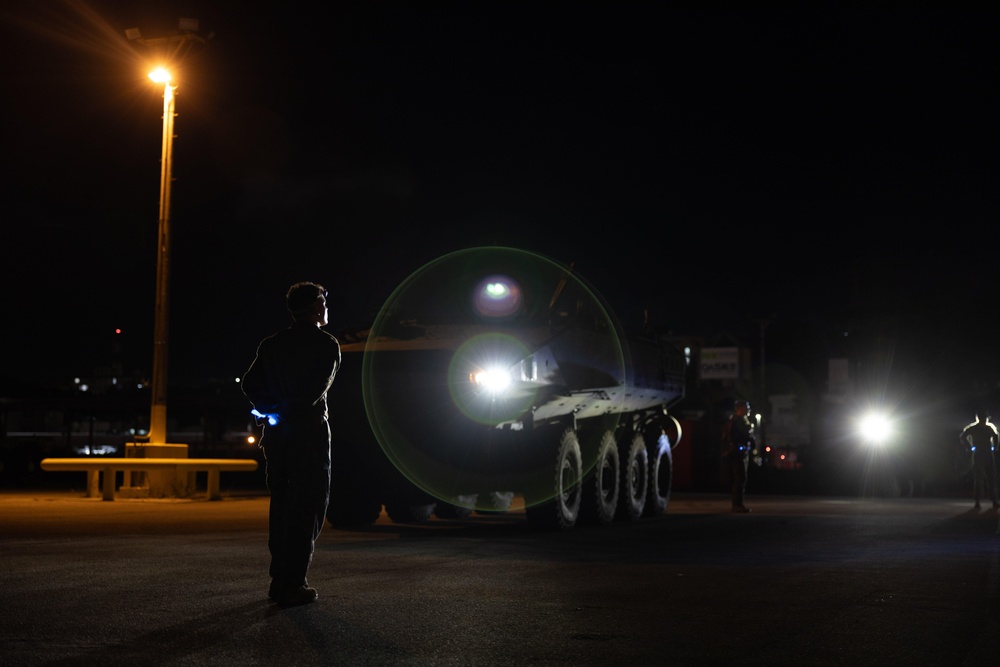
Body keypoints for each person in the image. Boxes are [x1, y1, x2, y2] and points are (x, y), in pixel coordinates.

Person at [241, 281, 342, 607]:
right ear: (316, 308)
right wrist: (287, 410)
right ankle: (293, 583)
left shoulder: (272, 344)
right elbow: (313, 391)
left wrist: (270, 409)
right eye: (323, 301)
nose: (326, 307)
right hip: (308, 436)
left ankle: (279, 578)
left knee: (282, 505)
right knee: (308, 506)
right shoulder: (326, 344)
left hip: (277, 437)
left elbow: (250, 383)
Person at [958, 413, 999, 510]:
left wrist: (969, 447)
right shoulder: (984, 428)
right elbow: (963, 436)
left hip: (984, 453)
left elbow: (996, 437)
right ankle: (981, 501)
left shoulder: (983, 428)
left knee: (988, 478)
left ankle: (988, 500)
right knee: (981, 478)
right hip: (982, 453)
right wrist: (969, 447)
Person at [721, 399, 755, 513]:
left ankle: (738, 504)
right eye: (746, 407)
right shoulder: (736, 421)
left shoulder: (741, 421)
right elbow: (735, 437)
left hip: (741, 452)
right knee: (739, 478)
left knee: (741, 478)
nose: (748, 410)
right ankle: (737, 505)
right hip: (737, 453)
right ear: (740, 409)